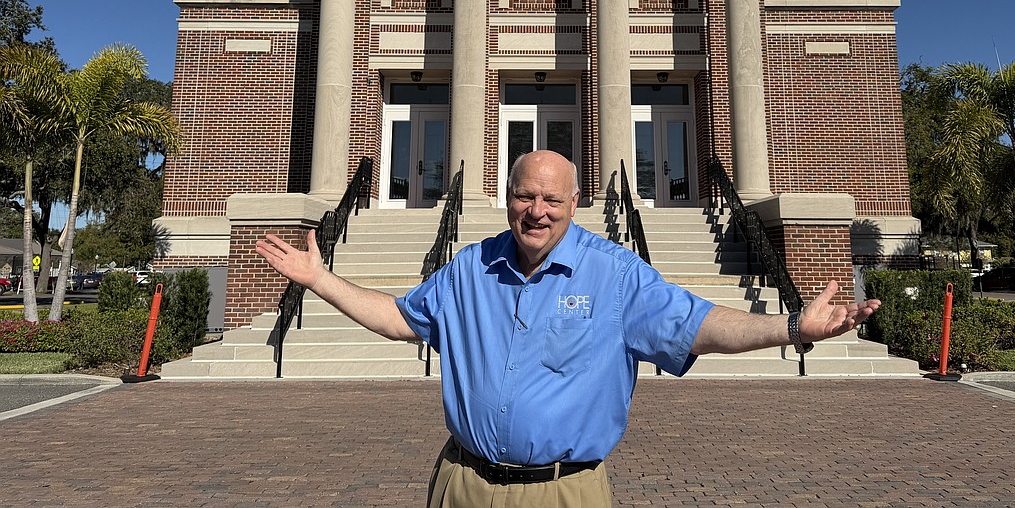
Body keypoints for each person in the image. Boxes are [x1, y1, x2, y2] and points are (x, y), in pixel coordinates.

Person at [256, 150, 880, 508]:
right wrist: (320, 281)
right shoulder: (470, 267)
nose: (538, 211)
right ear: (508, 199)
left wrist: (792, 326)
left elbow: (700, 327)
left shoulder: (615, 276)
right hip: (463, 483)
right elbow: (399, 319)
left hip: (562, 493)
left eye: (552, 201)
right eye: (526, 197)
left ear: (574, 205)